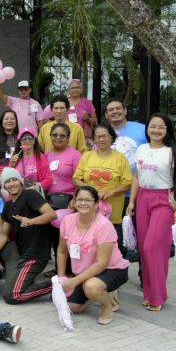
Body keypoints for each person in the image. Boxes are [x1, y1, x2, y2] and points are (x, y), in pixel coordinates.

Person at [126, 114, 176, 312]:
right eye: (152, 126)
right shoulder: (142, 149)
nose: (156, 130)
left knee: (153, 247)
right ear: (147, 129)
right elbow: (137, 177)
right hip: (143, 199)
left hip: (164, 201)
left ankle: (159, 296)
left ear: (168, 129)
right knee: (144, 251)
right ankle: (149, 294)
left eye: (161, 127)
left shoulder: (174, 152)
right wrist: (133, 201)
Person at [58, 186, 129, 325]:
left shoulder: (104, 225)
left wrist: (74, 281)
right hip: (84, 272)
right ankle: (95, 295)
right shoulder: (67, 221)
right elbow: (61, 251)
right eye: (79, 199)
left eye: (87, 200)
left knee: (92, 286)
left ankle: (106, 306)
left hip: (111, 269)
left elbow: (102, 263)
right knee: (71, 308)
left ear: (96, 204)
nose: (83, 203)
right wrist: (61, 277)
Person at [0, 168, 56, 304]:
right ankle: (26, 279)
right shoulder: (8, 205)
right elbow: (4, 234)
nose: (11, 184)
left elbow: (51, 214)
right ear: (4, 186)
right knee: (10, 289)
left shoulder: (30, 195)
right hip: (22, 254)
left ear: (21, 182)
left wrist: (31, 221)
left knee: (13, 295)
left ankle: (56, 285)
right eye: (7, 182)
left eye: (14, 179)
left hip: (35, 255)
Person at [73, 124, 133, 254]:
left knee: (112, 248)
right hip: (89, 210)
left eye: (104, 136)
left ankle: (115, 272)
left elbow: (127, 183)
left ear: (111, 137)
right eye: (97, 136)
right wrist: (90, 191)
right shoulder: (87, 156)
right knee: (90, 247)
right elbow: (76, 179)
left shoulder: (120, 158)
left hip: (112, 213)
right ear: (93, 139)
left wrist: (109, 192)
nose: (101, 139)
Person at [104, 98, 147, 175]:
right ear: (106, 115)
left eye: (118, 108)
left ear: (125, 111)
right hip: (111, 182)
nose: (115, 111)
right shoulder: (102, 133)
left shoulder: (143, 129)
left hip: (139, 182)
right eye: (111, 110)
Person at [44, 122, 81, 211]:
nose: (58, 138)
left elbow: (80, 180)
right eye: (54, 135)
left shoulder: (75, 155)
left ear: (68, 138)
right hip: (49, 201)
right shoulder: (47, 155)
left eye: (62, 135)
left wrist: (75, 199)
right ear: (50, 137)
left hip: (69, 201)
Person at [9, 127, 52, 195]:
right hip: (18, 193)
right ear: (20, 141)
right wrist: (12, 165)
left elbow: (48, 180)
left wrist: (35, 188)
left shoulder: (41, 157)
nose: (27, 141)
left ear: (34, 140)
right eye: (24, 139)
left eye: (30, 138)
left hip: (35, 193)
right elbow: (9, 178)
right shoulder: (15, 157)